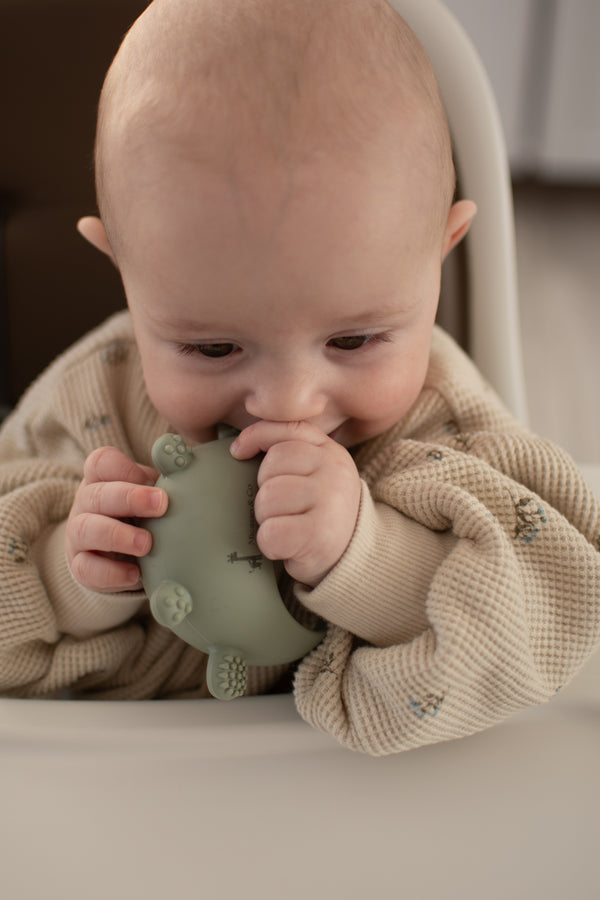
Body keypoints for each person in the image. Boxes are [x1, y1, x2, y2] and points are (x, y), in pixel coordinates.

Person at [0, 0, 598, 755]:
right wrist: (65, 575)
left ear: (440, 253)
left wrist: (371, 559)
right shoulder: (92, 405)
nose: (285, 404)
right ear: (124, 268)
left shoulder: (445, 430)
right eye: (213, 349)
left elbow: (552, 613)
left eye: (352, 339)